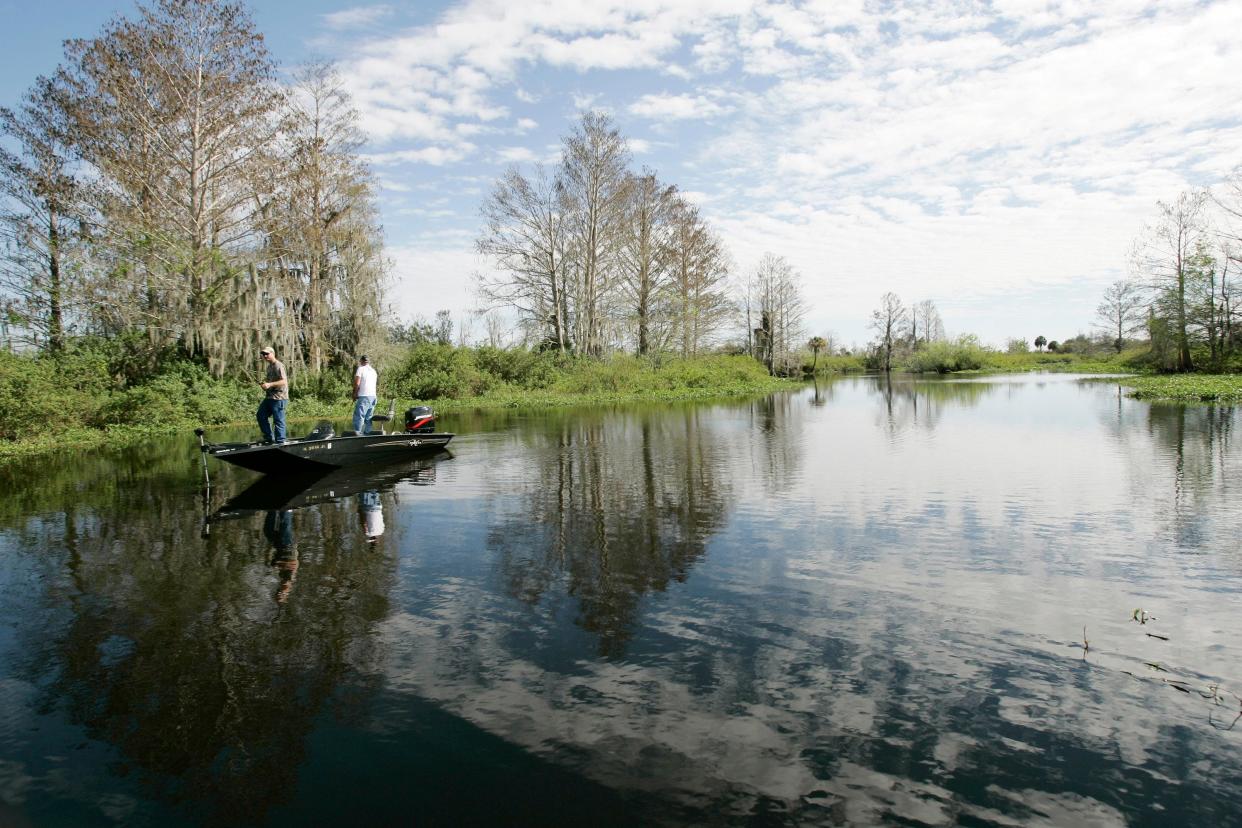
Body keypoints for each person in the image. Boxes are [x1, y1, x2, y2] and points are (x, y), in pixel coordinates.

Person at [257, 346, 288, 443]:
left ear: (272, 353)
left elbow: (283, 381)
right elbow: (271, 382)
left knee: (278, 420)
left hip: (279, 398)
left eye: (267, 354)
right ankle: (269, 438)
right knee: (261, 415)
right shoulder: (269, 367)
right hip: (270, 397)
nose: (265, 356)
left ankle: (280, 441)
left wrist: (269, 384)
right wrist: (265, 385)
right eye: (263, 354)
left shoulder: (279, 365)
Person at [352, 354, 378, 434]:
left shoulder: (361, 369)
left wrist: (355, 393)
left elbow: (357, 383)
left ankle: (357, 434)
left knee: (359, 416)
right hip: (373, 397)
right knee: (368, 417)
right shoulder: (374, 371)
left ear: (361, 361)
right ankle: (367, 434)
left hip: (364, 396)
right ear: (368, 362)